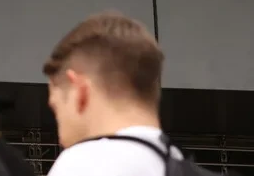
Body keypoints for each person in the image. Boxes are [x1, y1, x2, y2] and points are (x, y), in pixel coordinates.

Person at [43, 11, 181, 176]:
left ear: (80, 91)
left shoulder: (83, 164)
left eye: (56, 109)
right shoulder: (182, 166)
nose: (61, 138)